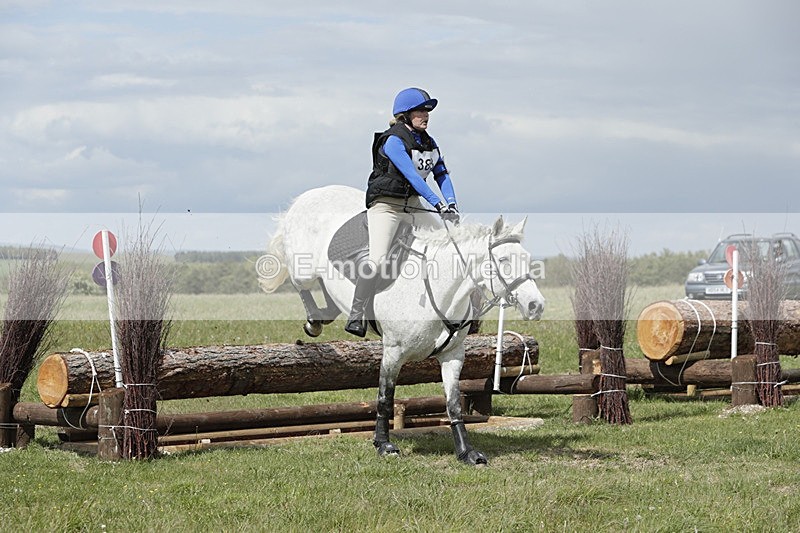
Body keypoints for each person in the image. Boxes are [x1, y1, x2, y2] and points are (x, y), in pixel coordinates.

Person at [344, 87, 460, 337]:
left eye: (427, 110)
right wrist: (438, 204)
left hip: (412, 205)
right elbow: (413, 176)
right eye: (420, 110)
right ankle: (357, 314)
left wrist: (451, 202)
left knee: (448, 243)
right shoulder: (393, 140)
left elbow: (440, 174)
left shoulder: (429, 142)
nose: (426, 115)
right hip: (387, 207)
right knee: (377, 260)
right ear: (405, 115)